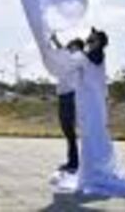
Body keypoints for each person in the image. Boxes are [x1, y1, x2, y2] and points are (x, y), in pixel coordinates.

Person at [47, 27, 125, 198]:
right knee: (93, 137)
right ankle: (93, 170)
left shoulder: (90, 57)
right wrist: (61, 46)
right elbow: (71, 60)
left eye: (91, 40)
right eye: (88, 40)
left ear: (98, 42)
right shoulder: (93, 57)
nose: (88, 42)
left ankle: (91, 173)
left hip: (90, 106)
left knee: (91, 137)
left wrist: (60, 47)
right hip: (92, 106)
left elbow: (67, 61)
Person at [49, 35, 84, 173]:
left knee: (70, 131)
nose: (69, 48)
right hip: (64, 97)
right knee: (68, 131)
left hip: (71, 96)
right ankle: (74, 161)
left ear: (78, 47)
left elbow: (62, 50)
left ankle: (74, 162)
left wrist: (55, 40)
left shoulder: (78, 58)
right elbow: (62, 52)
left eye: (72, 45)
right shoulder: (69, 60)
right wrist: (54, 40)